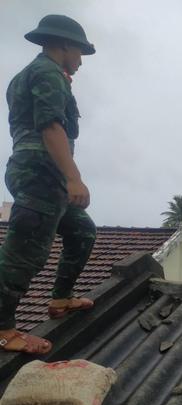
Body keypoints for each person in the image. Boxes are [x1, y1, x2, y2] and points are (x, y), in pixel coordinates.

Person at [0, 15, 98, 355]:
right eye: (80, 51)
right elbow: (51, 127)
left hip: (41, 172)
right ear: (65, 44)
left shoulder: (32, 75)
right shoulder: (48, 73)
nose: (81, 60)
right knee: (24, 254)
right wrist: (74, 178)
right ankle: (3, 330)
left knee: (82, 231)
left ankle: (60, 299)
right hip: (40, 173)